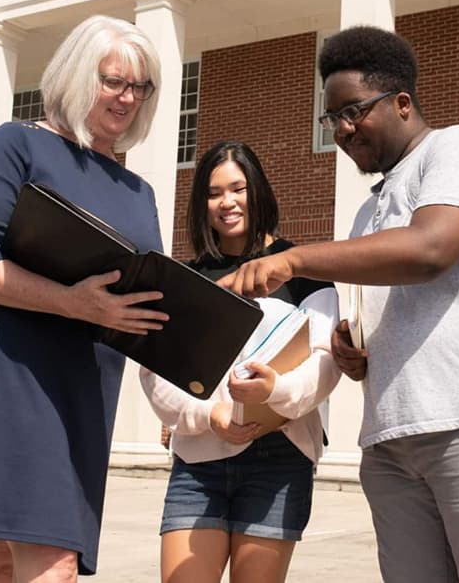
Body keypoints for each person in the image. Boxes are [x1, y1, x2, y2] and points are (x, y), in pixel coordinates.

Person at [220, 25, 459, 583]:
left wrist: (294, 259)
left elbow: (432, 249)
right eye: (332, 118)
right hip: (393, 435)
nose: (343, 129)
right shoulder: (367, 214)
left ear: (402, 103)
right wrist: (357, 351)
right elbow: (389, 308)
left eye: (353, 110)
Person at [0, 15, 170, 582]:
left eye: (140, 87)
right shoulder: (19, 145)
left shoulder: (139, 190)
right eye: (114, 81)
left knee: (0, 558)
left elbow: (148, 294)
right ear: (79, 76)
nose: (127, 97)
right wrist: (73, 302)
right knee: (52, 561)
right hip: (11, 369)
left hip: (83, 385)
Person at [140, 141, 341, 583]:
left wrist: (275, 392)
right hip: (198, 462)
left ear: (258, 192)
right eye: (214, 193)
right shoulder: (185, 280)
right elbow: (155, 372)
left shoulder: (302, 272)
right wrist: (207, 414)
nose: (226, 202)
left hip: (279, 458)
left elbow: (326, 365)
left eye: (238, 188)